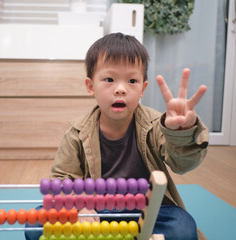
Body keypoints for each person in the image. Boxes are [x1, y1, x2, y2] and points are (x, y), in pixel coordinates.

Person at [25, 33, 208, 240]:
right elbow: (60, 181)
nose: (121, 89)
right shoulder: (76, 134)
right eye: (109, 79)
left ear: (142, 89)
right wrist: (80, 205)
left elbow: (182, 164)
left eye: (132, 81)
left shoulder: (157, 125)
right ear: (90, 86)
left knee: (182, 228)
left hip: (146, 212)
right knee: (36, 224)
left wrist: (180, 133)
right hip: (93, 213)